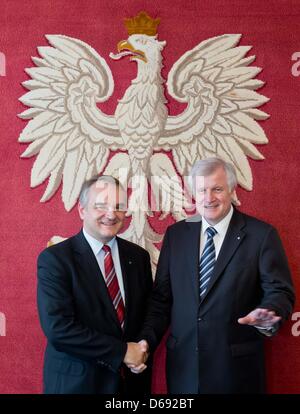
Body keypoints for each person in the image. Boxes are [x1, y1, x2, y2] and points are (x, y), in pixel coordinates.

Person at [136, 157, 295, 394]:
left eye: (217, 189)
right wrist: (145, 341)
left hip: (235, 371)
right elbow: (161, 299)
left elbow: (280, 291)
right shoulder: (176, 235)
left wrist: (270, 312)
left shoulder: (261, 235)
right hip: (184, 370)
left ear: (232, 189)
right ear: (193, 193)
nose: (209, 198)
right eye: (202, 190)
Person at [37, 176, 152, 394]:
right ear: (82, 210)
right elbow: (58, 328)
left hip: (131, 385)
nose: (111, 214)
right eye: (101, 206)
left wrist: (143, 346)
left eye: (119, 207)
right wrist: (122, 352)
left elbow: (147, 312)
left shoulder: (138, 257)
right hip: (78, 384)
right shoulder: (55, 259)